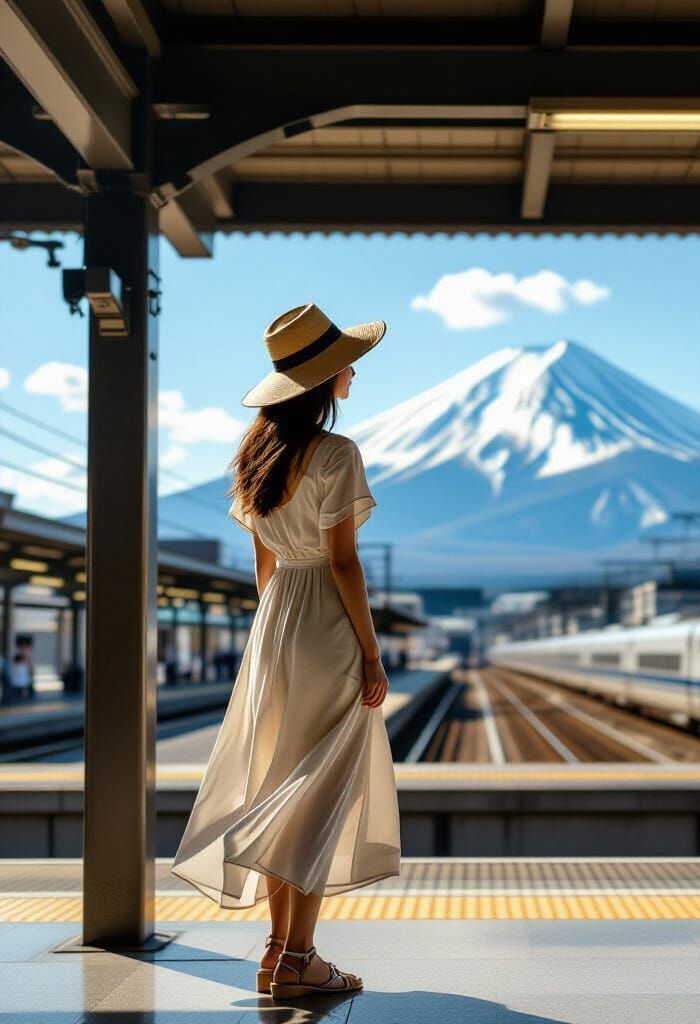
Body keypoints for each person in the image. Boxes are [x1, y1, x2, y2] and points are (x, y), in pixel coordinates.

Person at [170, 304, 398, 1000]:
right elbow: (344, 564)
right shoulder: (337, 453)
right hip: (327, 627)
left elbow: (264, 566)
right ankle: (299, 959)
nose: (354, 370)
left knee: (278, 785)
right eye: (346, 363)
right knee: (321, 793)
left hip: (275, 628)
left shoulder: (254, 452)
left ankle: (277, 952)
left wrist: (272, 632)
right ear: (325, 377)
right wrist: (371, 652)